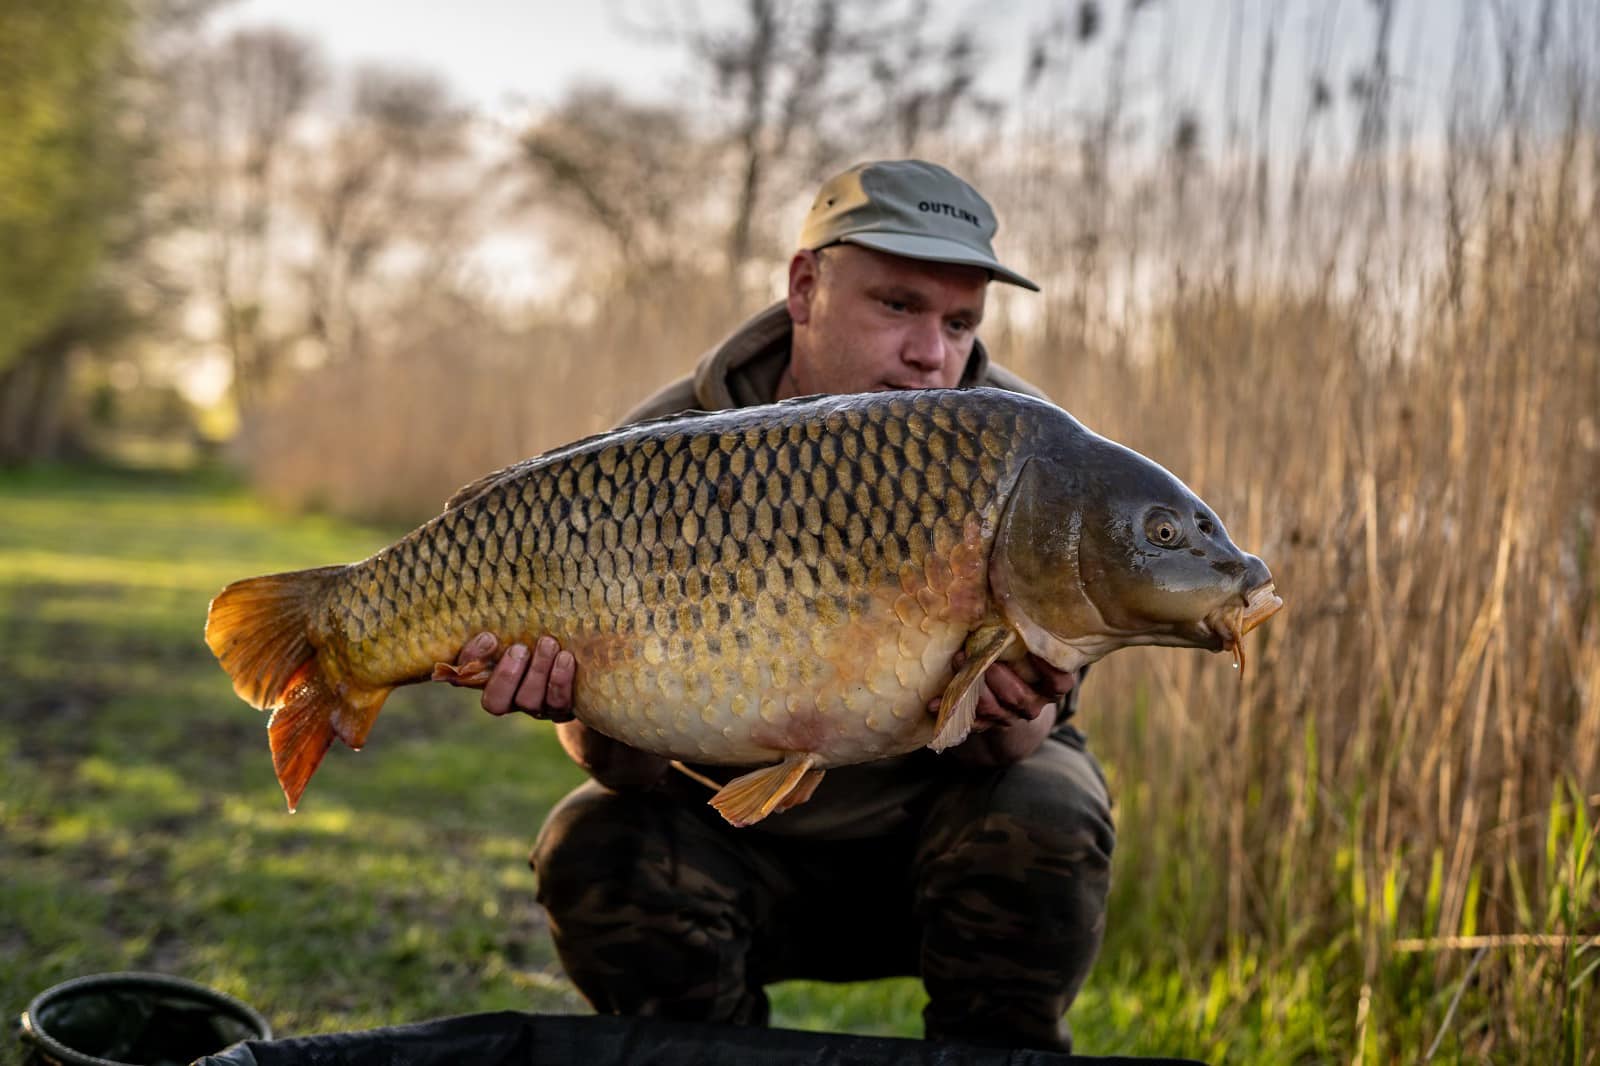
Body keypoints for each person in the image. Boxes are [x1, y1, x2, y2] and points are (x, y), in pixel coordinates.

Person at [449, 160, 1114, 1053]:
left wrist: (1001, 704)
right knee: (592, 837)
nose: (932, 354)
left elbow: (1018, 742)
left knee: (1049, 806)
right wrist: (572, 694)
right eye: (898, 305)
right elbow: (619, 766)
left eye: (960, 322)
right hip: (731, 834)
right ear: (806, 288)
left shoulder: (1034, 455)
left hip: (935, 834)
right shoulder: (661, 445)